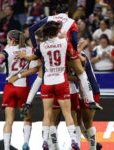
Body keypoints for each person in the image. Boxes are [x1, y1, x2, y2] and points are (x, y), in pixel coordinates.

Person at [18, 21, 80, 150]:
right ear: (57, 31)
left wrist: (24, 56)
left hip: (47, 82)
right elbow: (73, 54)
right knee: (67, 113)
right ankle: (74, 140)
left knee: (47, 114)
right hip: (61, 82)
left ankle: (45, 141)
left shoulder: (42, 46)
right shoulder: (64, 43)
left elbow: (33, 58)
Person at [29, 3, 102, 110]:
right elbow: (74, 39)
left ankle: (29, 101)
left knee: (41, 76)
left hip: (50, 50)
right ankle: (91, 100)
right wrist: (75, 53)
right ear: (67, 13)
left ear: (55, 12)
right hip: (66, 50)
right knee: (82, 75)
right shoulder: (71, 21)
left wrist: (36, 48)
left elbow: (31, 29)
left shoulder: (49, 18)